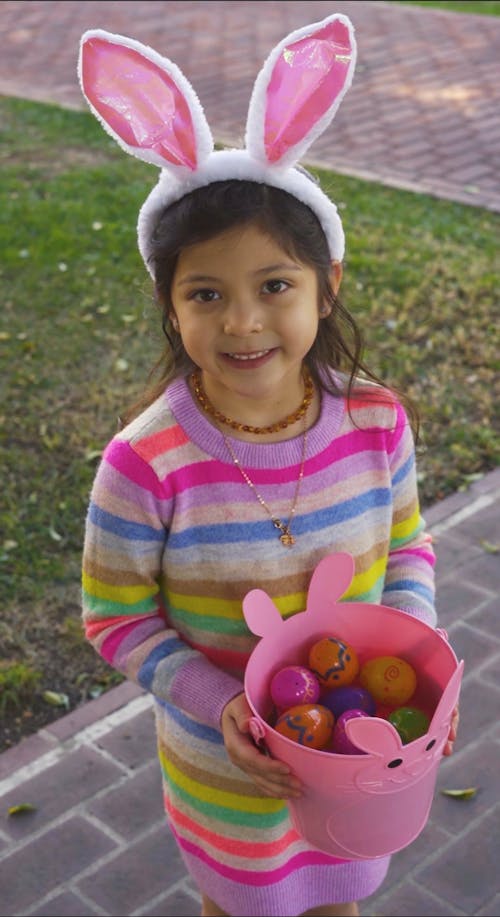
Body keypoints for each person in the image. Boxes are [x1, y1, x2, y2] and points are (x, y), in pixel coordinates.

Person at [79, 14, 458, 917]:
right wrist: (219, 702)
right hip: (230, 777)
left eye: (274, 286)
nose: (243, 322)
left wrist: (418, 652)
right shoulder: (145, 462)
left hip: (362, 758)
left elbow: (406, 549)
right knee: (244, 907)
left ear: (327, 286)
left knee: (342, 897)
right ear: (172, 310)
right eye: (206, 294)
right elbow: (116, 618)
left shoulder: (375, 421)